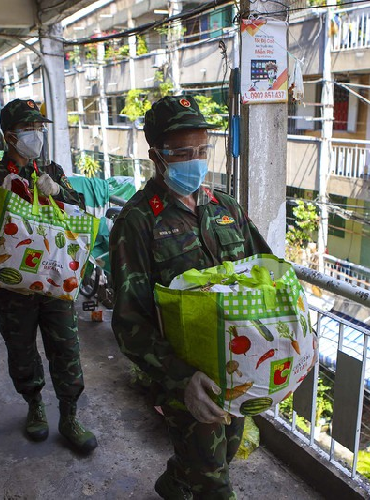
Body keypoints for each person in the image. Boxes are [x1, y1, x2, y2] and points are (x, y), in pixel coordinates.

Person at [110, 95, 271, 499]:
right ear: (157, 156)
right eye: (183, 152)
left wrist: (296, 335)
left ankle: (174, 481)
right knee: (213, 482)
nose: (195, 161)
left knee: (228, 447)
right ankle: (191, 480)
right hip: (185, 378)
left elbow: (269, 278)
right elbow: (131, 323)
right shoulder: (138, 222)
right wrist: (180, 380)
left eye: (202, 150)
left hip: (238, 369)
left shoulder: (226, 209)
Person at [0, 98, 97, 454]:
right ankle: (34, 404)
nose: (37, 134)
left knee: (66, 350)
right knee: (21, 351)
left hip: (55, 284)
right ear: (10, 135)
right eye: (30, 129)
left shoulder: (51, 171)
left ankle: (69, 415)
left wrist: (60, 193)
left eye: (40, 128)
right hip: (13, 291)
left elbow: (79, 214)